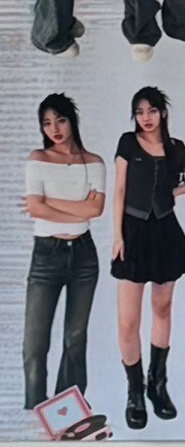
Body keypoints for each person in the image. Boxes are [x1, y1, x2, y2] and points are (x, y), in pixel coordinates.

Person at [110, 84, 185, 427]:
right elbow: (120, 190)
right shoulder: (127, 142)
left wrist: (173, 191)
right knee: (128, 321)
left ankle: (157, 385)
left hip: (164, 232)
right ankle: (135, 390)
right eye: (139, 112)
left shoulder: (176, 147)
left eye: (151, 110)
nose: (145, 118)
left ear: (163, 112)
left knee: (162, 308)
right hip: (132, 232)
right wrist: (117, 236)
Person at [20, 92, 104, 417]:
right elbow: (35, 209)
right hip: (46, 256)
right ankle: (35, 412)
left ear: (72, 121)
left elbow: (95, 210)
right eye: (47, 123)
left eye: (61, 120)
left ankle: (67, 414)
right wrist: (76, 208)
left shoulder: (93, 162)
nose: (54, 128)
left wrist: (48, 203)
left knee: (75, 338)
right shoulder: (38, 158)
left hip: (84, 255)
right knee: (35, 343)